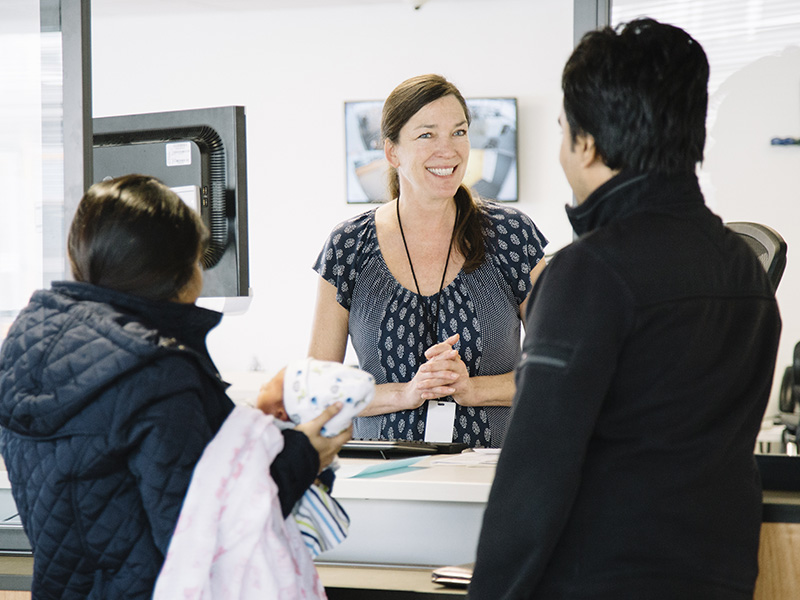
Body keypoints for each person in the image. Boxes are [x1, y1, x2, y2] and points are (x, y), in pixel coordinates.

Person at [470, 18, 782, 600]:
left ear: (586, 143)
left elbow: (533, 479)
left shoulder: (588, 273)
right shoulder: (745, 270)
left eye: (564, 131)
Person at [0, 174, 350, 600]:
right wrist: (304, 455)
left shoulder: (25, 342)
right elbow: (202, 530)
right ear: (180, 274)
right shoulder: (158, 371)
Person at [308, 74, 548, 447]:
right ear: (392, 152)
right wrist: (407, 393)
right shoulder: (348, 246)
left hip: (493, 475)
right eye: (426, 135)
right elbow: (317, 389)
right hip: (386, 484)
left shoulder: (511, 235)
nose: (449, 150)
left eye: (459, 132)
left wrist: (472, 389)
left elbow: (558, 370)